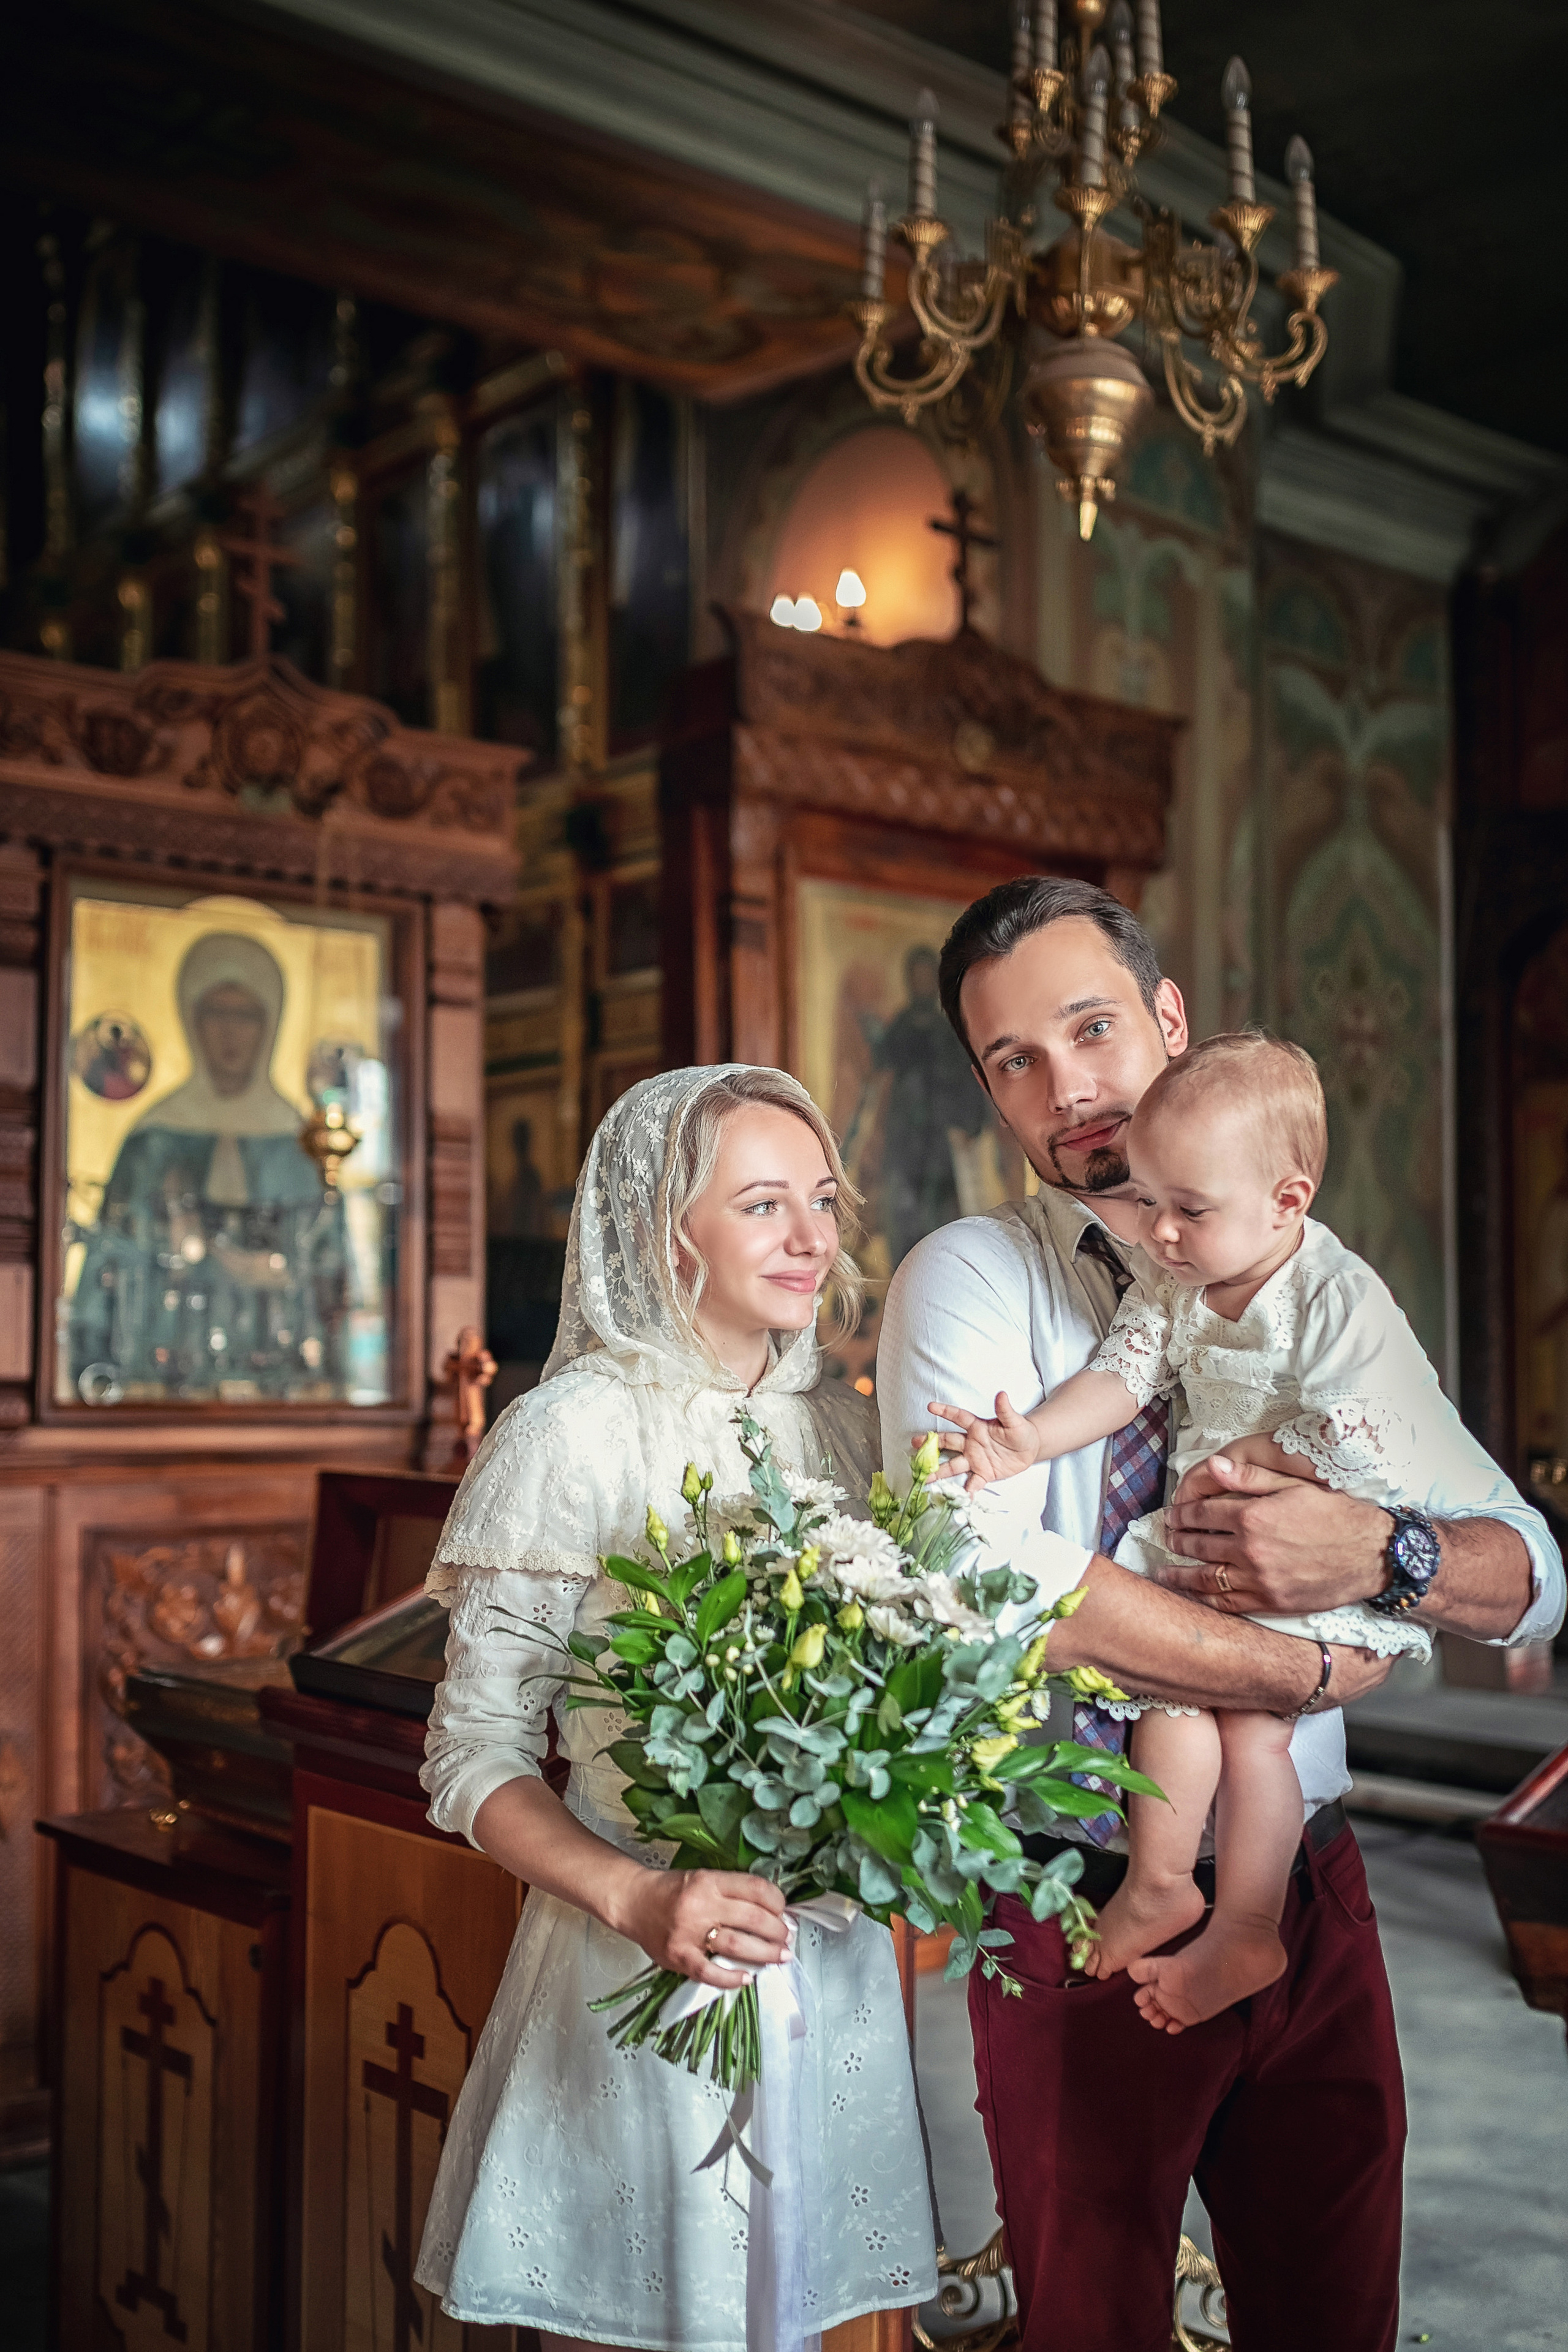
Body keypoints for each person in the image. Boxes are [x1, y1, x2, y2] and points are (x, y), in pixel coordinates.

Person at [876, 876, 1564, 2352]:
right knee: (1092, 2320)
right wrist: (1304, 1659)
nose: (1066, 1086)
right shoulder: (968, 1280)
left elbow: (1525, 1562)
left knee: (1332, 2309)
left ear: (1165, 1019)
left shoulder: (1301, 1276)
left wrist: (1372, 1552)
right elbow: (989, 1579)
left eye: (1089, 1026)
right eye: (1012, 1058)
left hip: (1312, 1878)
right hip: (1078, 1885)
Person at [415, 1065, 937, 2346]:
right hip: (632, 1954)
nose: (814, 1238)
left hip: (828, 1970)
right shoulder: (569, 1435)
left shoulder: (851, 1434)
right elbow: (469, 1754)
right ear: (666, 1233)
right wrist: (641, 1896)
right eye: (764, 1206)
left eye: (822, 1200)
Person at [931, 1033, 1434, 2037]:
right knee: (1172, 1691)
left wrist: (1270, 1467)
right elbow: (1122, 1380)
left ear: (1287, 1201)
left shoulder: (1337, 1298)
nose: (1158, 1233)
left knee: (1254, 1727)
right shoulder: (1179, 1285)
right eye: (1151, 1204)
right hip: (1201, 1544)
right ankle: (1163, 1881)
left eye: (1187, 1211)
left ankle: (1247, 1922)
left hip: (1303, 1540)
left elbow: (1380, 1430)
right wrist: (1030, 1440)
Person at [69, 930, 345, 1401]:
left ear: (271, 1023)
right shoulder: (152, 1140)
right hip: (160, 1380)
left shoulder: (302, 1142)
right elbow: (108, 1266)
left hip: (280, 1386)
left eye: (247, 1016)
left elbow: (330, 1275)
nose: (230, 1033)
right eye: (216, 1013)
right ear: (190, 1018)